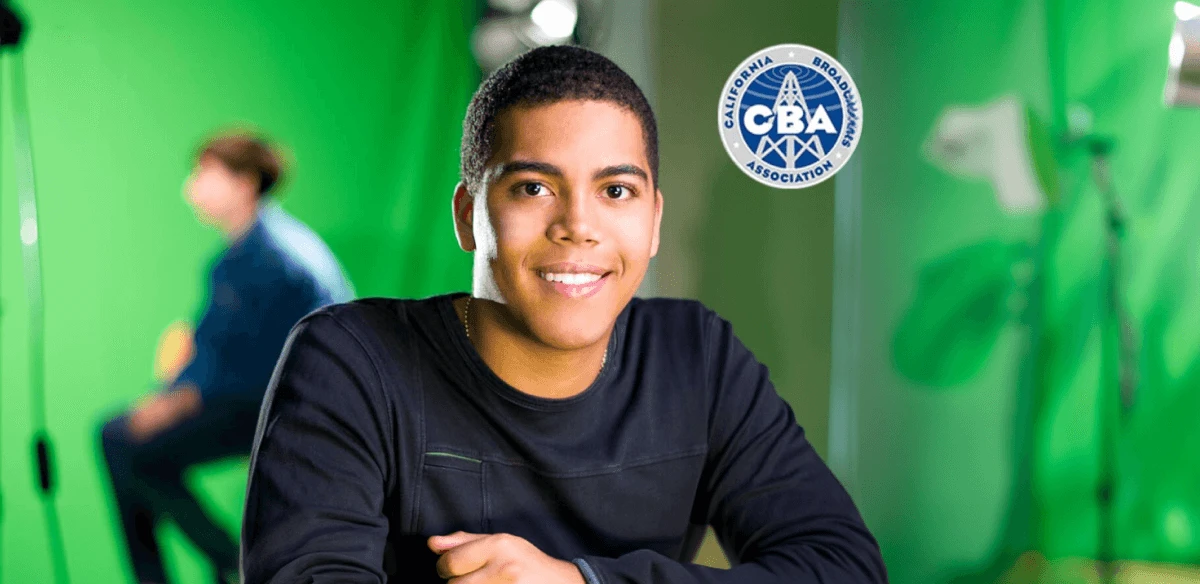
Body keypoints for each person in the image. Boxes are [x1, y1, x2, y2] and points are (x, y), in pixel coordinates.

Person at [241, 46, 887, 583]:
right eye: (534, 188)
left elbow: (843, 568)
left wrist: (584, 580)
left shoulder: (699, 359)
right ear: (469, 216)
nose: (578, 227)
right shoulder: (350, 360)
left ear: (654, 221)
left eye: (615, 191)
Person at [99, 133, 355, 584]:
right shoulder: (250, 253)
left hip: (287, 412)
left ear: (244, 183)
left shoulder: (271, 259)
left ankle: (227, 560)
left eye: (205, 174)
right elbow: (210, 346)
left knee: (122, 443)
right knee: (125, 442)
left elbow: (238, 370)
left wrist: (171, 403)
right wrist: (172, 393)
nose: (191, 189)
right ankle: (219, 561)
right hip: (263, 402)